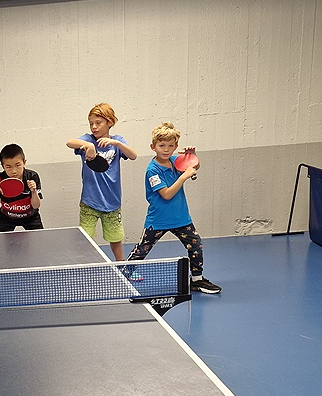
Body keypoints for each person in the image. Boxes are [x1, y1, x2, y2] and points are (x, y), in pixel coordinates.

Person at [126, 122, 221, 294]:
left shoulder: (175, 160)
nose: (166, 149)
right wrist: (183, 177)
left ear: (176, 146)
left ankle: (197, 280)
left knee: (196, 246)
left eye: (170, 146)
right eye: (162, 145)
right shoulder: (152, 170)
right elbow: (166, 194)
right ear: (153, 147)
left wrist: (193, 156)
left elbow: (194, 166)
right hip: (158, 220)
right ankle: (124, 275)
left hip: (181, 218)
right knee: (142, 250)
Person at [66, 103, 137, 260]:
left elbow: (133, 156)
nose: (94, 127)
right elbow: (69, 142)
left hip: (112, 201)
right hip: (89, 201)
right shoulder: (87, 139)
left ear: (109, 122)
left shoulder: (117, 141)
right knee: (85, 239)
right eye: (91, 123)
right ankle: (86, 266)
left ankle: (121, 265)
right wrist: (88, 145)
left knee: (115, 238)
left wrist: (117, 144)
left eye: (98, 123)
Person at [0, 143, 43, 231]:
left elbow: (36, 205)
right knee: (1, 240)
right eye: (8, 167)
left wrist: (34, 191)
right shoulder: (0, 178)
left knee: (39, 239)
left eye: (18, 165)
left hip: (31, 217)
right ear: (3, 167)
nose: (14, 171)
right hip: (7, 218)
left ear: (24, 162)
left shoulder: (32, 176)